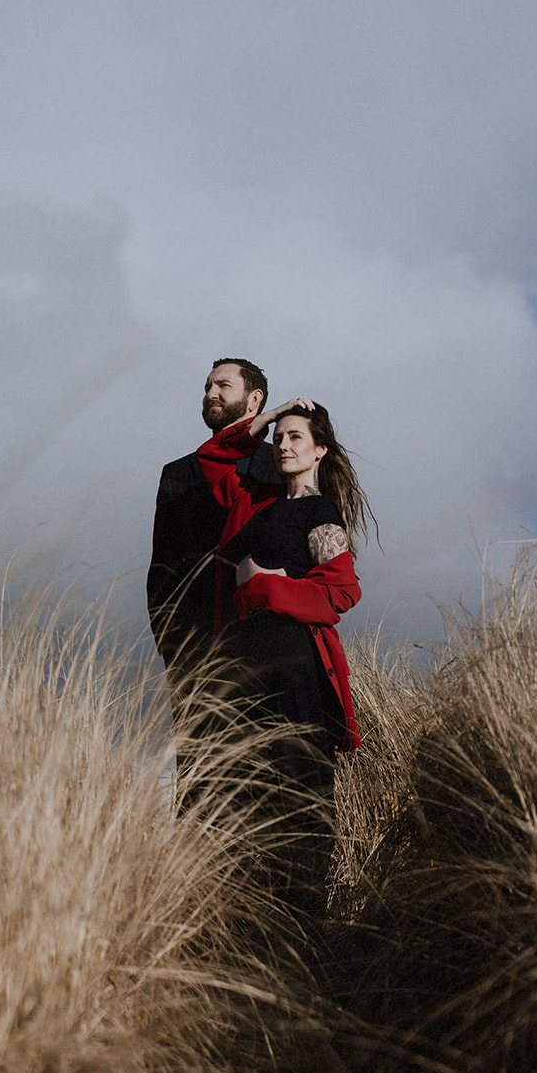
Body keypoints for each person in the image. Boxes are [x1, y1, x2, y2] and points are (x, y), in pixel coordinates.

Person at [196, 397, 374, 903]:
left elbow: (342, 592)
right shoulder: (257, 500)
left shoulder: (321, 511)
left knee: (298, 778)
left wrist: (271, 588)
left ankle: (306, 910)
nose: (283, 446)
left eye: (296, 437)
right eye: (279, 438)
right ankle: (256, 908)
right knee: (248, 781)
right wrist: (269, 417)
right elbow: (212, 459)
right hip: (243, 654)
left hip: (290, 650)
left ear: (320, 450)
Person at [147, 358, 278, 700]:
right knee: (202, 753)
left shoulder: (280, 463)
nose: (211, 394)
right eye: (208, 386)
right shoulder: (178, 473)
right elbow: (162, 564)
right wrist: (170, 642)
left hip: (266, 643)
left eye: (223, 385)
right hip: (194, 649)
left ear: (255, 399)